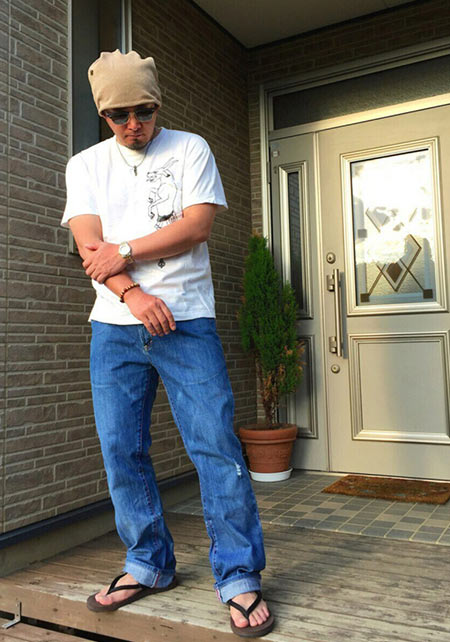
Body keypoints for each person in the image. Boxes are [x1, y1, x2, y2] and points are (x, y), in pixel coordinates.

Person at [62, 50, 274, 638]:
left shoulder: (190, 149)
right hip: (114, 327)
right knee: (120, 450)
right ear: (103, 114)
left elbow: (196, 226)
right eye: (119, 115)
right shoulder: (85, 165)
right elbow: (88, 246)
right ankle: (148, 564)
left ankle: (239, 576)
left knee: (215, 447)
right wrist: (132, 294)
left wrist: (125, 251)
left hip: (187, 323)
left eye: (145, 111)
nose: (134, 124)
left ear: (158, 105)